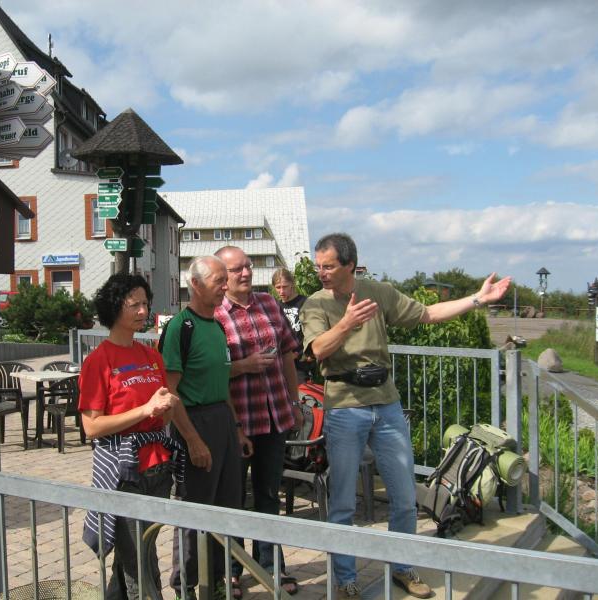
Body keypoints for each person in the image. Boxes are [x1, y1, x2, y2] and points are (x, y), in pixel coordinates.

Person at [300, 233, 511, 599]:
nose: (321, 272)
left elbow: (428, 313)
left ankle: (402, 567)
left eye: (328, 266)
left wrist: (478, 299)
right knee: (343, 501)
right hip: (345, 406)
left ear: (350, 265)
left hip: (386, 404)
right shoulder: (316, 304)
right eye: (319, 266)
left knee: (403, 496)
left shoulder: (377, 292)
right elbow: (318, 349)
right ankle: (345, 579)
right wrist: (347, 322)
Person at [78, 273, 183, 600]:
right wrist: (145, 410)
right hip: (123, 473)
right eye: (134, 304)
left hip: (157, 470)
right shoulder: (98, 361)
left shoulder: (151, 355)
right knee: (142, 564)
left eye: (146, 304)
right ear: (114, 307)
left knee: (134, 553)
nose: (143, 311)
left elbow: (162, 416)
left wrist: (166, 406)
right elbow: (92, 427)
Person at [214, 247, 303, 597]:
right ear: (222, 276)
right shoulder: (215, 313)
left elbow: (287, 356)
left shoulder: (269, 304)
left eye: (248, 266)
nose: (246, 273)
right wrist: (242, 366)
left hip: (275, 415)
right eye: (237, 269)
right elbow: (208, 373)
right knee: (234, 497)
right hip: (238, 422)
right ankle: (231, 569)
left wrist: (294, 402)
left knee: (268, 495)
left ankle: (271, 566)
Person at [162, 255, 251, 600]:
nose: (225, 286)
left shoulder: (216, 327)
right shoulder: (180, 328)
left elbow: (222, 384)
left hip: (222, 422)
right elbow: (170, 393)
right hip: (194, 422)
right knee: (194, 511)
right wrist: (193, 440)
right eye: (219, 281)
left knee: (226, 508)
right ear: (196, 285)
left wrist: (237, 429)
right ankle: (185, 587)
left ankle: (215, 583)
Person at [272, 267, 311, 383]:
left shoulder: (305, 302)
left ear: (292, 284)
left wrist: (301, 354)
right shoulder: (275, 306)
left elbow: (311, 332)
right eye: (278, 287)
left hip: (300, 365)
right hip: (281, 364)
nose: (281, 291)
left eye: (285, 287)